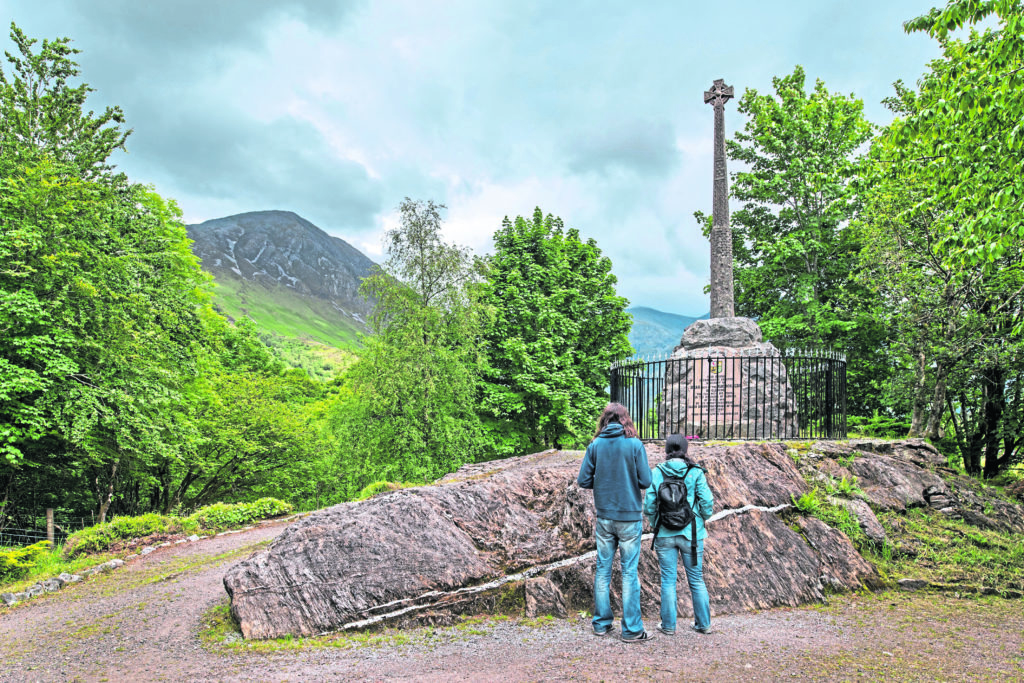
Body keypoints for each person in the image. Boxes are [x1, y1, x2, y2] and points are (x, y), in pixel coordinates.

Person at [576, 402, 653, 642]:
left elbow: (583, 480)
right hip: (629, 515)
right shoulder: (634, 445)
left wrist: (603, 483)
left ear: (604, 420)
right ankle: (631, 630)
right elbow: (646, 480)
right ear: (625, 420)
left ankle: (601, 624)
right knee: (629, 571)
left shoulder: (595, 445)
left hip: (605, 517)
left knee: (603, 569)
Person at [643, 433, 714, 635]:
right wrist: (702, 518)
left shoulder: (657, 472)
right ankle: (703, 624)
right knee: (696, 579)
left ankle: (668, 626)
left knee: (667, 580)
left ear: (666, 450)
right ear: (685, 450)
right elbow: (707, 502)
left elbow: (649, 504)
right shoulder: (695, 472)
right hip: (692, 533)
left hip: (664, 533)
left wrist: (654, 521)